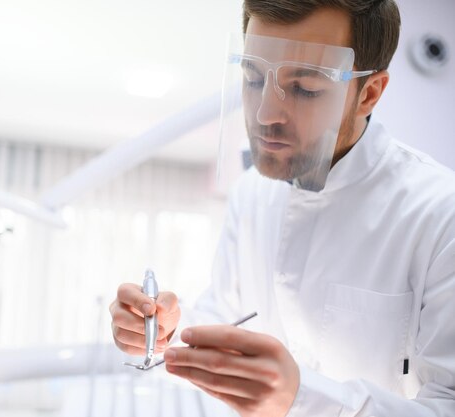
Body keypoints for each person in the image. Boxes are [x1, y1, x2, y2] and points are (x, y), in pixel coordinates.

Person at [110, 1, 455, 416]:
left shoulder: (441, 214)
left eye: (305, 88)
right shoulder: (252, 194)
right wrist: (163, 333)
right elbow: (224, 319)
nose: (265, 113)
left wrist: (302, 397)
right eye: (253, 78)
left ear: (369, 93)